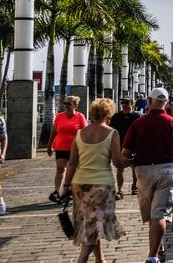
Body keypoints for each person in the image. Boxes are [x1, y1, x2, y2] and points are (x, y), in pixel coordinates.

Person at [122, 87, 173, 263]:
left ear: (149, 101)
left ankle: (154, 251)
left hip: (143, 171)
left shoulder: (138, 124)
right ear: (167, 103)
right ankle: (154, 254)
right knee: (160, 214)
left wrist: (134, 164)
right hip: (167, 170)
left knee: (152, 215)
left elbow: (125, 153)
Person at [59, 98, 128, 263]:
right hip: (101, 185)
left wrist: (65, 185)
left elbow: (72, 162)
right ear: (108, 113)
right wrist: (133, 160)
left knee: (90, 222)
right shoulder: (112, 133)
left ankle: (100, 259)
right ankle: (81, 260)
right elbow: (118, 163)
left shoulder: (80, 133)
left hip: (78, 184)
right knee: (93, 225)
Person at [47, 95, 87, 203]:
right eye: (65, 103)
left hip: (76, 149)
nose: (66, 106)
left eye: (69, 104)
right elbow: (54, 132)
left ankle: (71, 190)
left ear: (75, 105)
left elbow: (85, 133)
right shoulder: (59, 116)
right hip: (60, 146)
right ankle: (56, 191)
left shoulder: (80, 117)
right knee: (60, 169)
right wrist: (49, 145)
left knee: (73, 170)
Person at [109, 98, 141, 198]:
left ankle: (134, 187)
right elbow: (111, 131)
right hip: (120, 145)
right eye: (122, 103)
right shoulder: (116, 117)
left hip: (134, 146)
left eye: (127, 103)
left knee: (135, 168)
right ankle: (120, 190)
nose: (124, 105)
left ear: (132, 104)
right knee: (120, 168)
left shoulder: (137, 116)